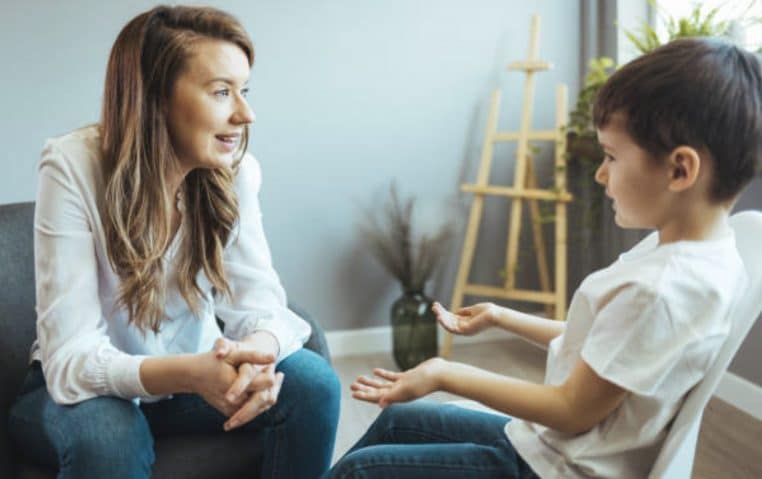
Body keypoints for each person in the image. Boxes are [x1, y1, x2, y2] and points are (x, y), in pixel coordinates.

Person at [326, 37, 762, 479]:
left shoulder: (662, 289)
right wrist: (500, 316)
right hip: (546, 446)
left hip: (556, 469)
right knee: (401, 422)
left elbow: (571, 408)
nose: (600, 173)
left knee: (363, 472)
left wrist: (445, 373)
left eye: (611, 156)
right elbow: (604, 349)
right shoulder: (695, 255)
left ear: (679, 170)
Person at [8, 5, 340, 478]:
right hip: (79, 393)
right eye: (222, 92)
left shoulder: (234, 173)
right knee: (110, 436)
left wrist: (257, 354)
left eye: (244, 91)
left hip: (191, 385)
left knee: (314, 386)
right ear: (156, 97)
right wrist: (190, 373)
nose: (245, 114)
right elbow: (71, 359)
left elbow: (261, 302)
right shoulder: (72, 167)